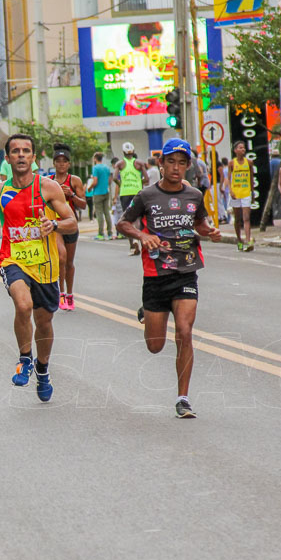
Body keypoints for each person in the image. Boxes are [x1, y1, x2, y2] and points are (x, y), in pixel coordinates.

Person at [116, 138, 222, 419]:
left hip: (186, 270)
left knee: (185, 332)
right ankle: (147, 311)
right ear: (160, 164)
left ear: (188, 166)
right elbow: (122, 223)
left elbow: (199, 223)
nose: (176, 168)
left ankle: (183, 398)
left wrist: (208, 231)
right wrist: (143, 235)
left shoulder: (195, 196)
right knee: (155, 346)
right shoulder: (146, 196)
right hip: (155, 275)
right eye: (171, 162)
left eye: (182, 163)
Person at [0, 133, 78, 403]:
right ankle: (25, 358)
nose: (21, 155)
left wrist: (55, 224)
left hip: (45, 265)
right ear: (8, 158)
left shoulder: (48, 188)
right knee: (22, 305)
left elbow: (72, 222)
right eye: (15, 151)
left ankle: (43, 370)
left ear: (34, 157)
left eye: (26, 151)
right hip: (13, 258)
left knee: (44, 321)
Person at [50, 143, 86, 311]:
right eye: (58, 161)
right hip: (56, 225)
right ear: (54, 163)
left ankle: (70, 294)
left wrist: (70, 194)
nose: (61, 164)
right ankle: (61, 293)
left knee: (69, 262)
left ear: (69, 164)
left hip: (71, 225)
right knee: (61, 258)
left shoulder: (74, 180)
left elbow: (84, 205)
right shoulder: (48, 182)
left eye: (64, 161)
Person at [114, 142, 148, 255]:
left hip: (125, 193)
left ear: (123, 152)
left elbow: (114, 177)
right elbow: (146, 178)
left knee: (126, 219)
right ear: (133, 152)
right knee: (138, 218)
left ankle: (132, 245)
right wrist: (139, 182)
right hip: (137, 192)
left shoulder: (120, 164)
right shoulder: (139, 163)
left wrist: (121, 183)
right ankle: (139, 240)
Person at [226, 141, 255, 251]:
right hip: (236, 193)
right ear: (235, 150)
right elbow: (229, 178)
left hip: (246, 192)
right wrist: (231, 191)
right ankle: (239, 240)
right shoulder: (232, 163)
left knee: (246, 218)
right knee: (237, 219)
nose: (243, 150)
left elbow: (251, 178)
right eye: (240, 148)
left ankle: (248, 240)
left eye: (243, 148)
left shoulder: (249, 162)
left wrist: (252, 193)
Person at [88, 152, 112, 240]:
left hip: (98, 193)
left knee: (99, 214)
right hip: (106, 191)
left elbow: (95, 181)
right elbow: (110, 180)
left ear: (95, 159)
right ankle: (110, 233)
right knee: (107, 213)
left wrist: (89, 188)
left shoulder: (95, 168)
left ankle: (101, 234)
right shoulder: (106, 167)